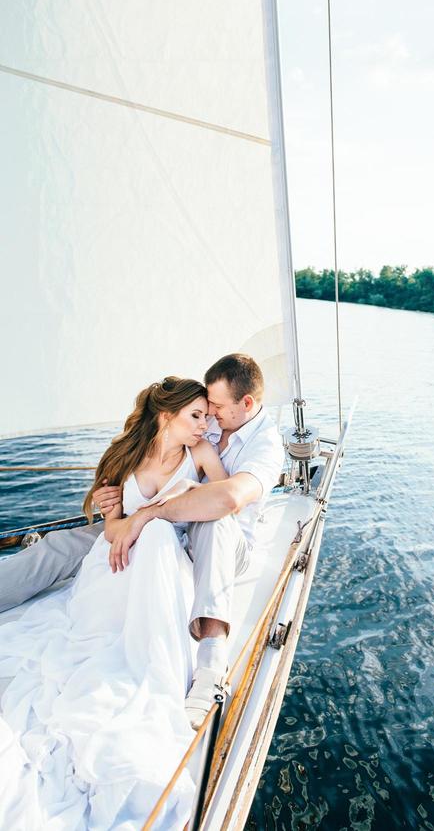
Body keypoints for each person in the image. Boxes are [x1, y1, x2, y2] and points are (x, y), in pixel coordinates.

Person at [0, 353, 285, 728]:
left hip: (220, 540)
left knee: (211, 523)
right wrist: (113, 509)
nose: (209, 417)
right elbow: (127, 486)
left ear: (245, 404)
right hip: (149, 523)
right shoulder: (206, 425)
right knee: (60, 546)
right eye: (202, 410)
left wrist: (148, 513)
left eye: (214, 407)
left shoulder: (264, 445)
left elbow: (227, 499)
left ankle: (211, 661)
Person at [0, 376, 224, 828]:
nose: (206, 425)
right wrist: (119, 516)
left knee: (159, 535)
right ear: (167, 415)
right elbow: (111, 530)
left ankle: (150, 651)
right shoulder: (126, 456)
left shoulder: (199, 455)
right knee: (104, 608)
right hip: (116, 562)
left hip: (163, 563)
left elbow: (223, 499)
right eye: (196, 415)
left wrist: (149, 515)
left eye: (207, 415)